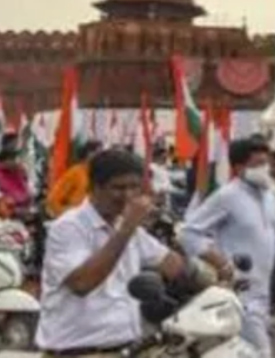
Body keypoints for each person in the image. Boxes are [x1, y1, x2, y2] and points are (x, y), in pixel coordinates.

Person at [35, 149, 192, 353]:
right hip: (79, 352)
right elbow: (82, 283)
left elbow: (172, 265)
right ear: (94, 188)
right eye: (118, 188)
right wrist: (126, 229)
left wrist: (200, 267)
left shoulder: (128, 228)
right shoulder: (68, 228)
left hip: (128, 348)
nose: (127, 196)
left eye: (134, 187)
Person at [180, 138, 275, 358]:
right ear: (239, 167)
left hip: (263, 289)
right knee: (260, 351)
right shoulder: (227, 196)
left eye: (266, 163)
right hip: (240, 292)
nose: (265, 169)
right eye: (258, 164)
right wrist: (220, 262)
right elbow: (188, 233)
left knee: (245, 352)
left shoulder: (268, 195)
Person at [46, 140, 102, 219]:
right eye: (96, 153)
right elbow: (53, 199)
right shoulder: (75, 172)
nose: (99, 157)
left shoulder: (98, 174)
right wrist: (66, 215)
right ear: (88, 154)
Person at [0, 136, 33, 217]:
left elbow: (30, 192)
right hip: (3, 217)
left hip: (25, 213)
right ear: (3, 160)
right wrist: (15, 211)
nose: (16, 161)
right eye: (12, 158)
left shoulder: (20, 173)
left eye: (15, 158)